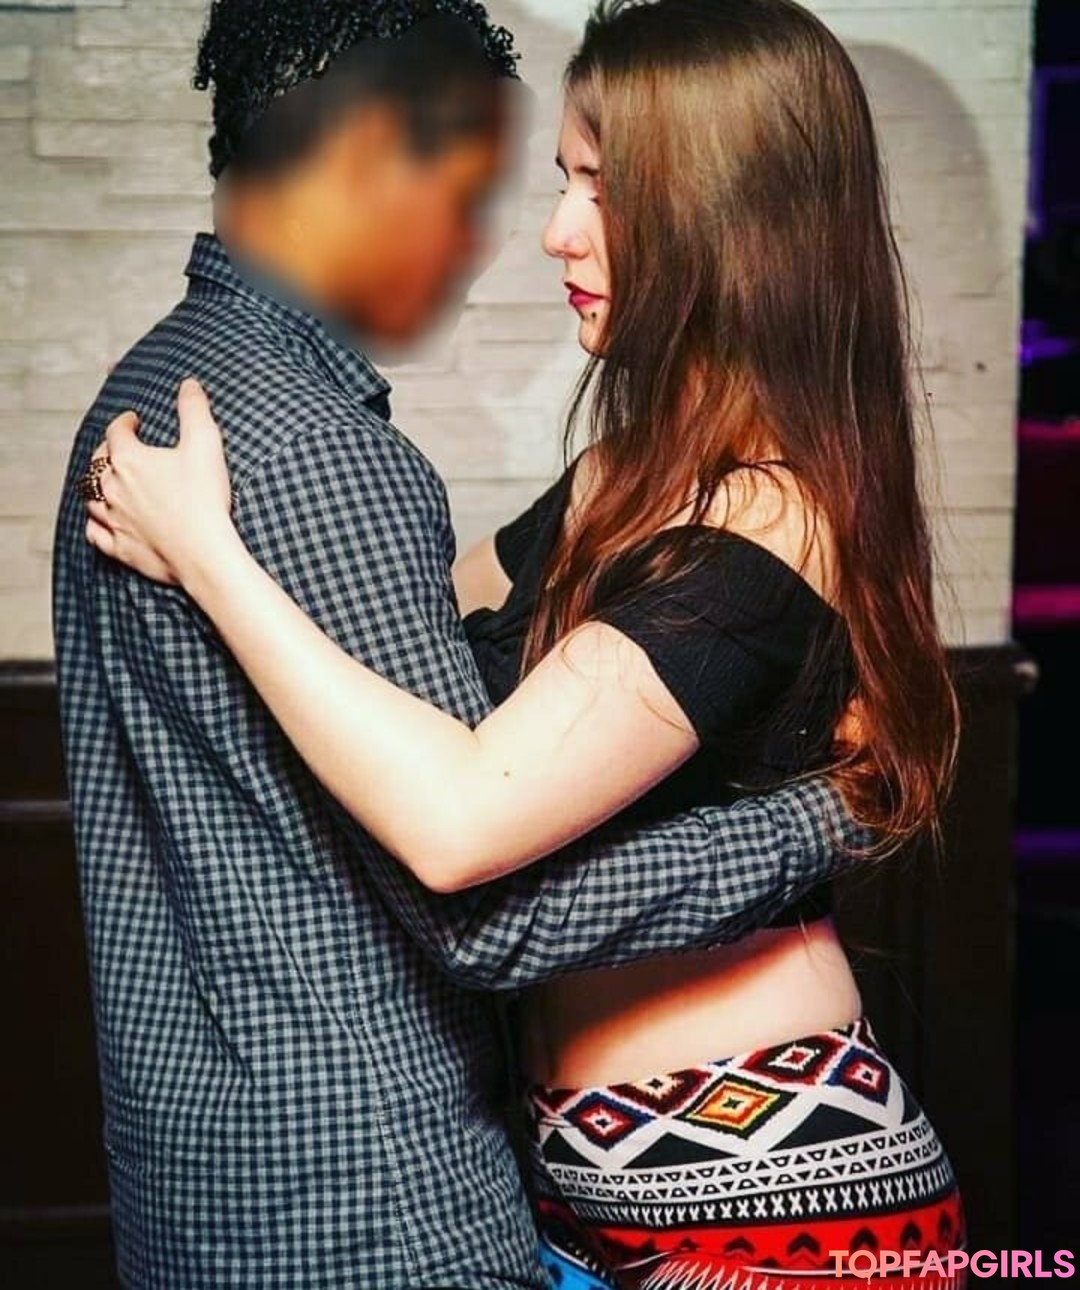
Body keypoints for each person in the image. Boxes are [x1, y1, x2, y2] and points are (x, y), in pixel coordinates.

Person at [80, 1, 969, 1287]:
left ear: (729, 214)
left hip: (775, 1179)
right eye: (565, 180)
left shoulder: (770, 518)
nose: (556, 230)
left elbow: (460, 822)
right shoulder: (621, 477)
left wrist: (211, 558)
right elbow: (402, 625)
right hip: (581, 1177)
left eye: (603, 187)